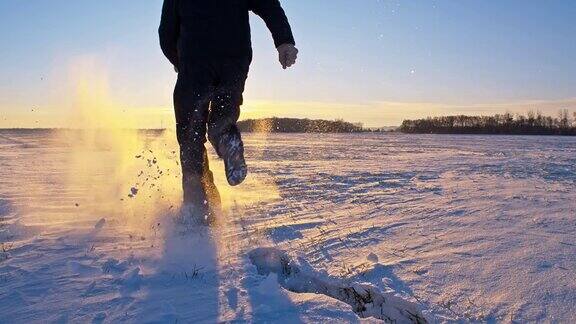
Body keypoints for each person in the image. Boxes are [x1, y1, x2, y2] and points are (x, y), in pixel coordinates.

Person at [159, 0, 298, 224]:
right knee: (223, 117)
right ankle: (226, 138)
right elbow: (269, 5)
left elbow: (166, 31)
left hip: (195, 61)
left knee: (190, 134)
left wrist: (178, 60)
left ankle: (198, 205)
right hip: (234, 57)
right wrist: (284, 41)